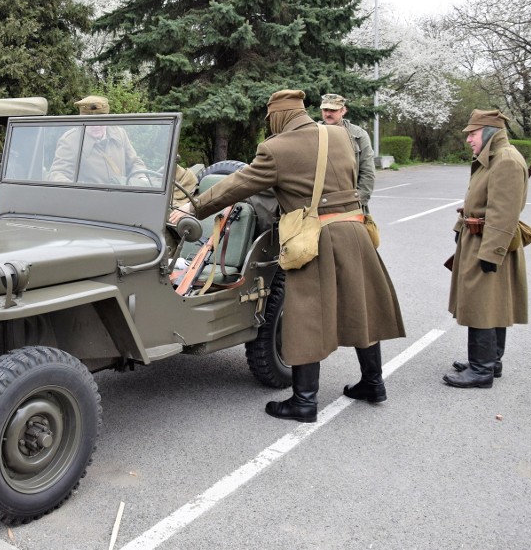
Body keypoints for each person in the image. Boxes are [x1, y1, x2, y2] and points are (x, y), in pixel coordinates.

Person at [169, 89, 405, 423]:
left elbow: (236, 185)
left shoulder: (276, 149)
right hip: (355, 229)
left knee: (305, 316)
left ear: (277, 117)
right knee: (360, 305)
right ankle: (373, 383)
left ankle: (304, 402)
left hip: (315, 237)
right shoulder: (339, 135)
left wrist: (191, 206)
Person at [443, 109, 528, 388]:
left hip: (490, 242)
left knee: (481, 304)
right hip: (480, 238)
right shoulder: (492, 158)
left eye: (473, 133)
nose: (468, 139)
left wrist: (491, 254)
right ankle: (490, 361)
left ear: (490, 132)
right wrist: (461, 228)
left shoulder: (505, 161)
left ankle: (482, 371)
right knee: (489, 303)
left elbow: (504, 214)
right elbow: (478, 200)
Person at [47, 95, 147, 184]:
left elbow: (134, 162)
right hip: (91, 202)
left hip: (122, 199)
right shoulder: (70, 141)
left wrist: (141, 180)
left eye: (100, 120)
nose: (96, 125)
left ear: (107, 119)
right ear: (81, 120)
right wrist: (80, 191)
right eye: (89, 121)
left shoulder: (119, 133)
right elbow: (58, 174)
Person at [320, 93, 376, 213]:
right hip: (321, 203)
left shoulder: (359, 135)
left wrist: (358, 202)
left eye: (333, 110)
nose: (328, 114)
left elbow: (367, 172)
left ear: (343, 110)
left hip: (351, 202)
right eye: (325, 110)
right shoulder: (313, 132)